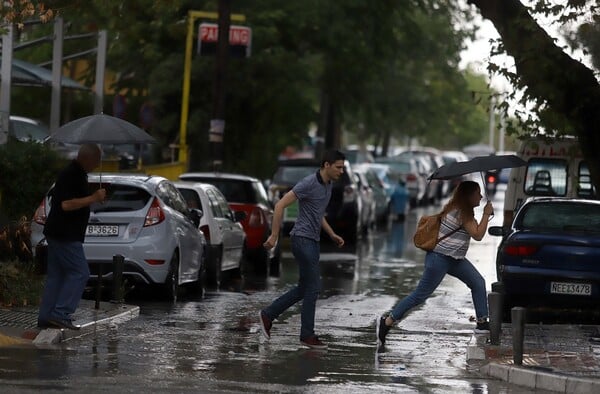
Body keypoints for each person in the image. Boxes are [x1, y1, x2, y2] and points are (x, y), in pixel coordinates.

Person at [376, 180, 494, 347]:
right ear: (468, 196)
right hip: (439, 259)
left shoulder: (463, 210)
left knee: (478, 282)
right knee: (420, 295)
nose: (481, 196)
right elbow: (478, 235)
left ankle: (482, 322)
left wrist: (483, 215)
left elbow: (474, 230)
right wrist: (486, 214)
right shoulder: (461, 212)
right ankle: (388, 320)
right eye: (478, 193)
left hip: (455, 259)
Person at [259, 150, 346, 349]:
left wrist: (332, 234)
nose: (341, 171)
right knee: (314, 287)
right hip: (301, 239)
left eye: (343, 168)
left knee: (303, 288)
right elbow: (280, 205)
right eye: (338, 167)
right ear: (326, 165)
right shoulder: (308, 183)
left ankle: (268, 315)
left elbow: (318, 214)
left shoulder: (328, 186)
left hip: (313, 241)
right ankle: (307, 334)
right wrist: (274, 235)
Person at [38, 144, 106, 330]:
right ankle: (60, 314)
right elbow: (66, 205)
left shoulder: (77, 174)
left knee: (57, 276)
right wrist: (93, 198)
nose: (98, 165)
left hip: (60, 233)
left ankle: (46, 317)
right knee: (80, 273)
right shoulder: (71, 174)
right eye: (97, 161)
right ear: (87, 158)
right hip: (65, 234)